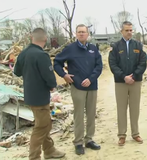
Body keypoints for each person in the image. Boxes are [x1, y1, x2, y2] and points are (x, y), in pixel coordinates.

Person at [14, 28, 65, 160]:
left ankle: (49, 150)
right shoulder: (41, 55)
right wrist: (52, 86)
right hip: (40, 97)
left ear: (32, 38)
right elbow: (48, 76)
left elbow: (17, 72)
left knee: (45, 123)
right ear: (45, 39)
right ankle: (34, 156)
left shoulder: (24, 53)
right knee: (41, 126)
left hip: (30, 96)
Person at [53, 24, 103, 154]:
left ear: (88, 34)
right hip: (77, 86)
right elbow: (57, 63)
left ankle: (89, 139)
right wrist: (64, 75)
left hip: (92, 86)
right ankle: (78, 142)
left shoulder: (93, 49)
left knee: (91, 114)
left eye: (83, 32)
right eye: (79, 32)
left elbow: (99, 66)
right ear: (76, 34)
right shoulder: (70, 49)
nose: (81, 34)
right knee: (79, 115)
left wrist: (91, 78)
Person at [108, 21, 147, 146]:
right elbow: (112, 64)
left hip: (135, 81)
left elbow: (143, 62)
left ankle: (135, 133)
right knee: (121, 108)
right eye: (127, 30)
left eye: (131, 30)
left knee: (135, 108)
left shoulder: (138, 45)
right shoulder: (115, 46)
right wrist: (123, 76)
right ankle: (122, 135)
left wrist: (134, 76)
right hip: (121, 82)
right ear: (121, 31)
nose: (129, 32)